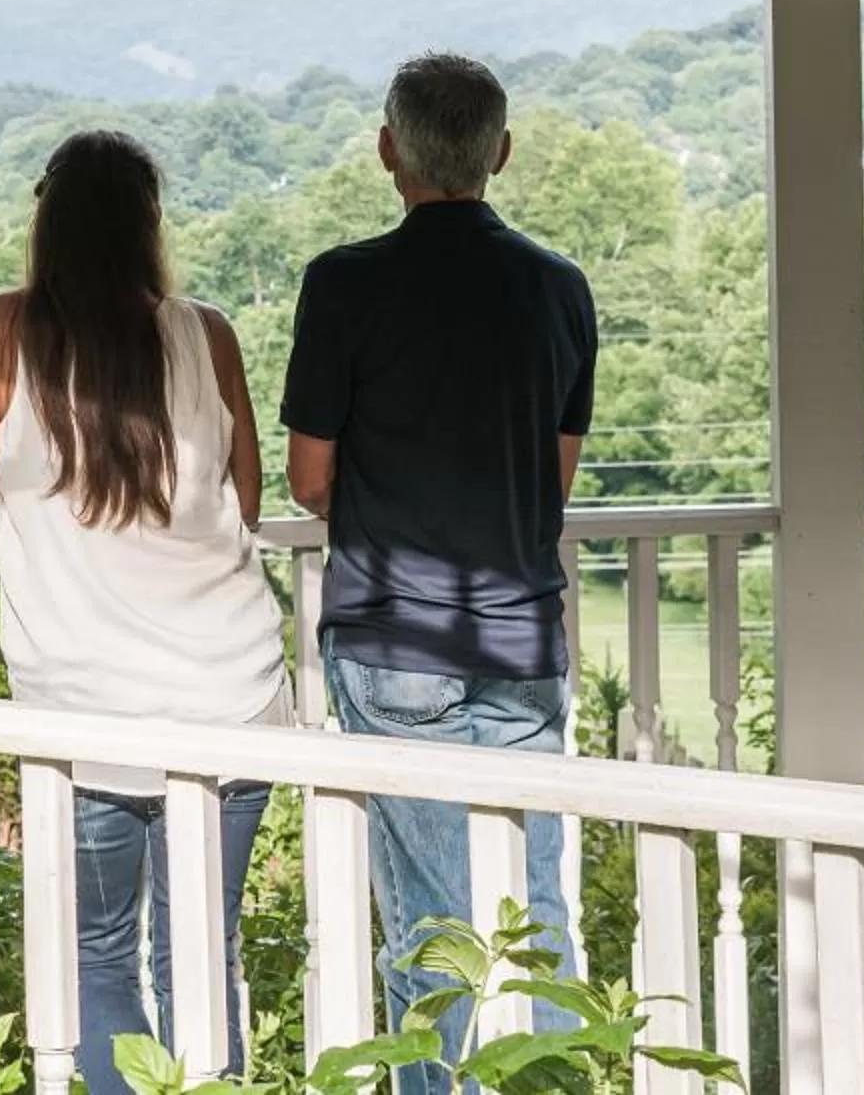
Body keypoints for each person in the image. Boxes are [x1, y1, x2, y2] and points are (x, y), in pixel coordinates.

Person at [0, 130, 289, 1095]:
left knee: (97, 957)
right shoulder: (205, 332)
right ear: (150, 225)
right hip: (232, 696)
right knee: (201, 955)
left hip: (84, 709)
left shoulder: (1, 336)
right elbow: (247, 499)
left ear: (45, 222)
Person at [283, 53, 597, 1094]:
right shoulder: (559, 286)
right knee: (534, 908)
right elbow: (552, 480)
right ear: (500, 153)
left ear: (388, 150)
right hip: (521, 637)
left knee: (431, 926)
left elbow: (307, 474)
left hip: (392, 636)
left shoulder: (344, 282)